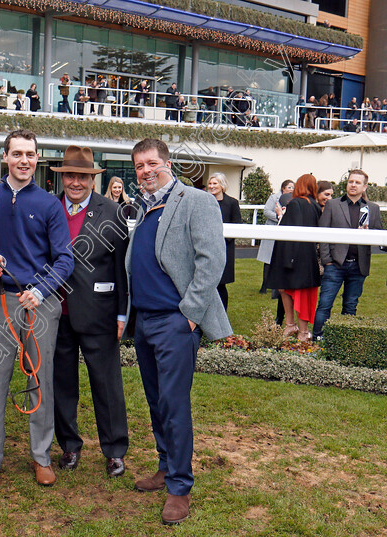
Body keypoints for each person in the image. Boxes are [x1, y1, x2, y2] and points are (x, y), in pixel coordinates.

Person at [125, 138, 230, 525]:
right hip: (146, 322)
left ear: (168, 163)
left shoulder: (197, 201)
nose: (146, 171)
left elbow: (212, 261)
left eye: (152, 163)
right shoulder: (145, 206)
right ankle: (166, 466)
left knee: (173, 403)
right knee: (156, 400)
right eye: (138, 166)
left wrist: (189, 314)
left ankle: (180, 487)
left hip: (175, 321)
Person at [0, 129, 74, 492]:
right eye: (17, 153)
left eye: (30, 154)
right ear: (5, 157)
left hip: (40, 302)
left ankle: (41, 457)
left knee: (40, 381)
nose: (24, 160)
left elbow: (65, 258)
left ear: (37, 158)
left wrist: (42, 289)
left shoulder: (50, 204)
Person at [51, 145, 129, 478]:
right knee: (62, 383)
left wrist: (122, 314)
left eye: (82, 176)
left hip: (100, 312)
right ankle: (69, 445)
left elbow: (122, 269)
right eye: (70, 175)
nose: (76, 182)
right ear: (63, 177)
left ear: (92, 179)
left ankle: (114, 450)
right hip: (56, 313)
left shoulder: (112, 211)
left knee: (106, 384)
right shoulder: (49, 207)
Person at [313, 170, 382, 339]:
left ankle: (344, 342)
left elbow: (380, 234)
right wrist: (327, 260)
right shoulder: (333, 205)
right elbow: (323, 233)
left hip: (359, 266)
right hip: (335, 264)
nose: (353, 185)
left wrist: (369, 232)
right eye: (351, 181)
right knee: (324, 305)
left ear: (364, 186)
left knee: (351, 306)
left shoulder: (372, 208)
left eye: (357, 182)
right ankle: (318, 339)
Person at [265, 174, 322, 342]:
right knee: (286, 288)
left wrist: (280, 215)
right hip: (306, 255)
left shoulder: (296, 203)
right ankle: (292, 326)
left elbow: (290, 229)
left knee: (294, 291)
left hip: (292, 255)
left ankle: (301, 331)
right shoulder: (315, 206)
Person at [206, 172, 242, 310]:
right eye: (210, 183)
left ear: (222, 185)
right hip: (206, 247)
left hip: (225, 248)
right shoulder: (205, 201)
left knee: (221, 284)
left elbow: (237, 224)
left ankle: (222, 316)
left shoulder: (232, 203)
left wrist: (222, 241)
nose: (212, 186)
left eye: (215, 183)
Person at [257, 179, 295, 294]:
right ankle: (264, 285)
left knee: (279, 259)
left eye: (293, 187)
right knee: (268, 260)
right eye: (289, 187)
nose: (291, 189)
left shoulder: (293, 200)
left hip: (285, 232)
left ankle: (276, 287)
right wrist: (279, 217)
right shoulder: (274, 198)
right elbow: (266, 211)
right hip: (272, 230)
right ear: (283, 188)